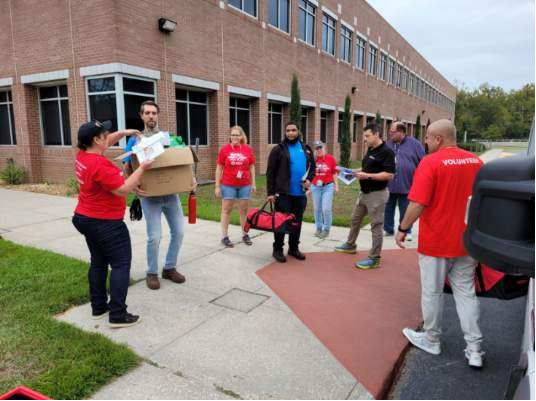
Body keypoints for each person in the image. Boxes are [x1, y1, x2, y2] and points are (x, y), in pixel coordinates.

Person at [395, 119, 485, 368]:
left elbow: (417, 203)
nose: (425, 141)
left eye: (427, 138)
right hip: (467, 241)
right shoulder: (476, 162)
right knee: (466, 294)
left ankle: (432, 339)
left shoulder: (430, 162)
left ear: (439, 139)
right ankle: (475, 348)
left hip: (436, 242)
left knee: (432, 293)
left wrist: (403, 228)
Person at [72, 120, 152, 328]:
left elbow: (108, 142)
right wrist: (143, 166)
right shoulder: (98, 164)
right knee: (120, 264)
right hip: (105, 222)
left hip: (85, 218)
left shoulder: (83, 155)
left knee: (98, 262)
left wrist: (126, 132)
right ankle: (118, 314)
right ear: (96, 140)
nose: (108, 136)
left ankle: (98, 307)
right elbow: (122, 190)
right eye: (104, 134)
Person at [124, 100, 195, 291]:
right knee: (154, 237)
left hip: (171, 195)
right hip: (149, 197)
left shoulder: (167, 138)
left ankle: (169, 268)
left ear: (158, 115)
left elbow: (181, 161)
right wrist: (133, 188)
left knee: (179, 232)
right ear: (141, 116)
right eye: (147, 113)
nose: (151, 116)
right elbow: (127, 167)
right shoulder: (135, 140)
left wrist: (191, 180)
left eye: (154, 113)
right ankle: (152, 272)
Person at [335, 123, 395, 269]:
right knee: (355, 219)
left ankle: (374, 258)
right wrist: (352, 171)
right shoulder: (370, 149)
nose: (365, 139)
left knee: (376, 226)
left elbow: (389, 175)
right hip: (364, 193)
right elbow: (366, 168)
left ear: (376, 134)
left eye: (367, 136)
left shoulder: (387, 152)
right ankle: (350, 245)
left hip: (377, 195)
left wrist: (367, 176)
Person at [266, 121, 315, 263]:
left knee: (296, 223)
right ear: (285, 132)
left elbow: (312, 167)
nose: (290, 133)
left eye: (293, 130)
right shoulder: (279, 149)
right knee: (281, 223)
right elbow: (270, 172)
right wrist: (270, 193)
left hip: (300, 194)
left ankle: (293, 248)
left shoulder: (306, 148)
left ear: (298, 131)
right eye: (288, 130)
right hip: (283, 194)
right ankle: (278, 249)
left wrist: (309, 180)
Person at [215, 125, 256, 247]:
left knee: (243, 210)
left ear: (242, 136)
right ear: (230, 136)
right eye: (233, 135)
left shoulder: (247, 149)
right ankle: (224, 236)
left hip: (245, 185)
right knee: (226, 210)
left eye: (237, 135)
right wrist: (217, 186)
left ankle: (245, 233)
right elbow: (219, 168)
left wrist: (253, 183)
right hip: (228, 184)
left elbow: (252, 166)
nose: (235, 137)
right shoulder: (224, 150)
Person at [383, 121, 425, 241]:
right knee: (388, 209)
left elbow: (423, 162)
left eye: (393, 132)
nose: (390, 134)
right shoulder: (388, 144)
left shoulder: (415, 144)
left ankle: (407, 231)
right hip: (389, 184)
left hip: (407, 184)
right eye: (390, 131)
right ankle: (388, 229)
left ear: (401, 132)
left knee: (406, 210)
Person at [310, 140, 338, 239]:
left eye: (320, 147)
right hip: (315, 187)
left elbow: (334, 172)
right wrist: (308, 187)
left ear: (324, 148)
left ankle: (326, 229)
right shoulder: (312, 160)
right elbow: (309, 174)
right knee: (317, 208)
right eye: (316, 148)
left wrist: (336, 185)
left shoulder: (330, 158)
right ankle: (318, 227)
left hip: (328, 186)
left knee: (326, 208)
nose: (319, 150)